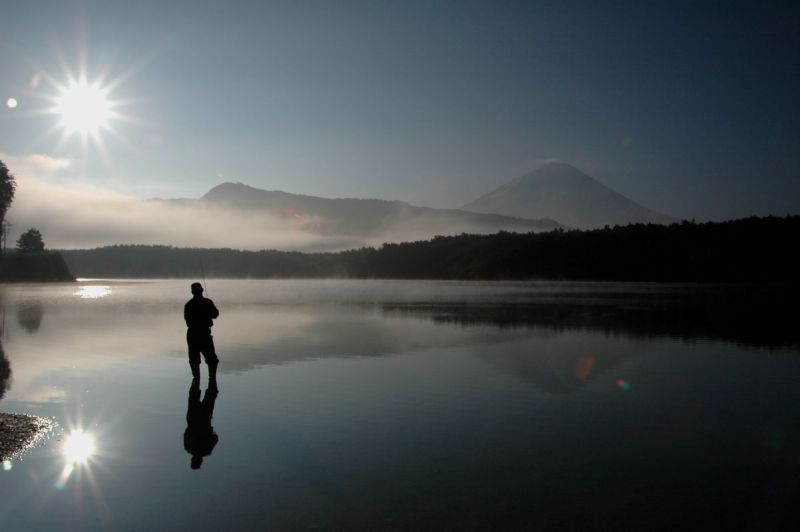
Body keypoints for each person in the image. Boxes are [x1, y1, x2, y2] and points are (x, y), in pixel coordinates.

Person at [184, 282, 220, 381]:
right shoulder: (208, 302)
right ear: (202, 291)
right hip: (204, 334)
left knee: (194, 360)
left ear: (192, 292)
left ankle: (196, 379)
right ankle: (212, 378)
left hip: (192, 335)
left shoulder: (188, 305)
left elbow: (187, 322)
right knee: (212, 360)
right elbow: (216, 315)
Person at [184, 377, 219, 470]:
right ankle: (196, 373)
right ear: (192, 460)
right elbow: (186, 433)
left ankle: (211, 372)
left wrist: (209, 433)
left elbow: (215, 438)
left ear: (200, 461)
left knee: (211, 393)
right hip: (192, 419)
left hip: (204, 420)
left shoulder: (207, 450)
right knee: (194, 393)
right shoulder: (187, 447)